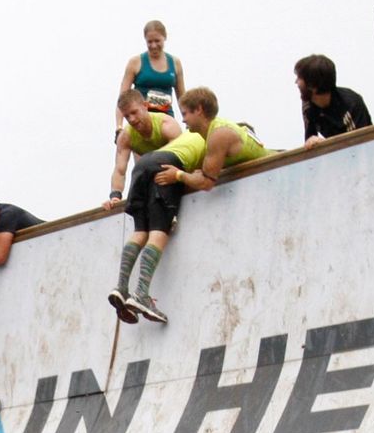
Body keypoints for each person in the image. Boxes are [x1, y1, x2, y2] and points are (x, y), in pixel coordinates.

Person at [108, 87, 267, 326]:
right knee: (158, 233)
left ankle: (121, 287)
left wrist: (114, 195)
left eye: (186, 113)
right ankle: (141, 293)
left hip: (142, 167)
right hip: (166, 166)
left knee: (139, 232)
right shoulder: (213, 136)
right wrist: (180, 177)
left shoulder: (186, 131)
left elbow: (122, 167)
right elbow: (205, 180)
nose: (183, 119)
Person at [294, 55, 373, 144]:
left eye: (299, 78)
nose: (296, 82)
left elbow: (360, 143)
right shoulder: (308, 105)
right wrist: (312, 142)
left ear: (313, 86)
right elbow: (310, 140)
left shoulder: (351, 104)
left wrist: (327, 145)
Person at [116, 19, 185, 120]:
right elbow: (122, 98)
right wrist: (119, 126)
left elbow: (183, 98)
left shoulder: (175, 63)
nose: (153, 45)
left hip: (166, 119)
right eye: (149, 42)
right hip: (141, 120)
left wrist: (189, 123)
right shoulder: (135, 62)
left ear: (164, 38)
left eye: (157, 41)